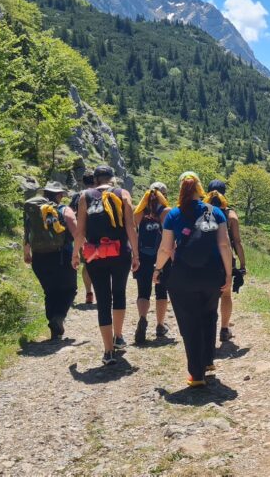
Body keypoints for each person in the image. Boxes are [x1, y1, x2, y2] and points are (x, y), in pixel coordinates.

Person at [153, 172, 232, 387]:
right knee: (209, 315)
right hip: (212, 274)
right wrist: (228, 273)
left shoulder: (174, 214)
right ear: (200, 190)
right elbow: (224, 245)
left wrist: (157, 269)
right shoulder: (215, 212)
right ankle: (207, 361)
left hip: (183, 276)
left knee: (189, 322)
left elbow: (166, 248)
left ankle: (196, 375)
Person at [72, 165, 139, 365]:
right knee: (119, 293)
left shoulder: (85, 196)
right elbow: (130, 226)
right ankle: (118, 336)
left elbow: (80, 230)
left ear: (95, 180)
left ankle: (108, 351)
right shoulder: (122, 193)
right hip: (120, 253)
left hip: (95, 256)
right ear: (112, 178)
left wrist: (75, 254)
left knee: (103, 299)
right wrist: (136, 254)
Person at [23, 181, 77, 341]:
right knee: (69, 289)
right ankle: (58, 318)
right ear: (59, 195)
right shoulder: (64, 209)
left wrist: (27, 253)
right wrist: (81, 250)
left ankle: (54, 327)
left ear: (45, 193)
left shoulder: (32, 211)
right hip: (62, 256)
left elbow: (27, 232)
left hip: (39, 257)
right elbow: (75, 232)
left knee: (50, 292)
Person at [206, 180, 246, 345]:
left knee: (207, 296)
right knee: (226, 294)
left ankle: (207, 330)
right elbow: (237, 241)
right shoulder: (230, 215)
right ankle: (224, 329)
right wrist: (243, 265)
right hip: (226, 260)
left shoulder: (201, 211)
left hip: (205, 259)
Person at [132, 182, 170, 344]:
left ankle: (142, 318)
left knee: (143, 292)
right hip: (161, 256)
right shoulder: (166, 212)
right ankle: (160, 325)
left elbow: (133, 230)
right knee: (161, 292)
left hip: (143, 256)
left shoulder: (139, 212)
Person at [69, 173, 96, 305]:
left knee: (87, 264)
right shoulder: (100, 194)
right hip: (101, 235)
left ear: (83, 183)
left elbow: (71, 215)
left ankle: (89, 293)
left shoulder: (77, 196)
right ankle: (104, 292)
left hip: (83, 236)